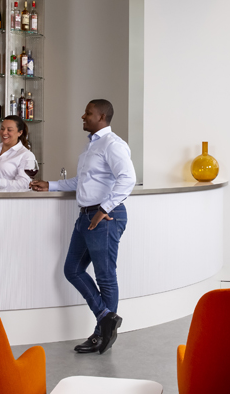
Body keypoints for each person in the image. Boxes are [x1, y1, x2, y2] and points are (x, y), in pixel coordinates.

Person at [31, 99, 136, 354]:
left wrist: (104, 209)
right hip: (87, 217)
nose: (83, 116)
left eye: (88, 113)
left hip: (105, 217)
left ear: (101, 116)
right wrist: (52, 185)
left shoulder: (112, 144)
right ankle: (106, 317)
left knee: (105, 277)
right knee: (72, 269)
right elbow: (83, 181)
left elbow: (128, 178)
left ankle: (102, 336)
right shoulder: (92, 146)